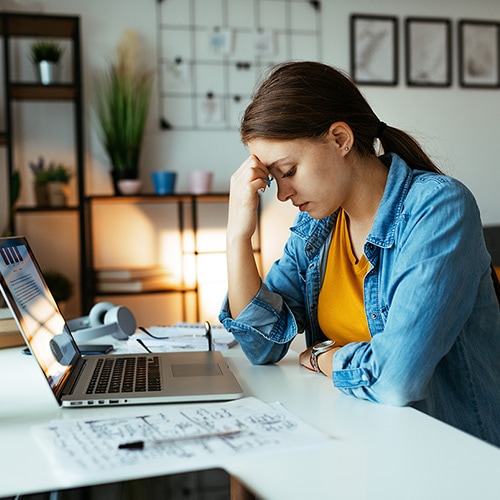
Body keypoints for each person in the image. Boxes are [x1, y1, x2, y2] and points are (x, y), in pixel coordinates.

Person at [219, 61, 500, 447]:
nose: (282, 194)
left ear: (339, 139)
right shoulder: (318, 226)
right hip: (357, 436)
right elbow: (261, 345)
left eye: (288, 171)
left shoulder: (438, 208)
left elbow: (396, 379)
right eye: (272, 180)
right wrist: (237, 235)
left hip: (448, 452)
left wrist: (322, 356)